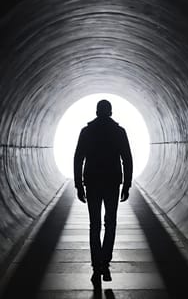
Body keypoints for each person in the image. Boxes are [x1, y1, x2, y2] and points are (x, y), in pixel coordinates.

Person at [74, 99, 133, 287]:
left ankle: (96, 266)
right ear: (111, 112)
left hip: (92, 181)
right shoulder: (119, 132)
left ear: (97, 111)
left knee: (95, 224)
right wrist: (127, 184)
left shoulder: (87, 131)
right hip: (112, 182)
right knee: (110, 223)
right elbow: (127, 159)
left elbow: (78, 158)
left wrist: (79, 185)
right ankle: (105, 263)